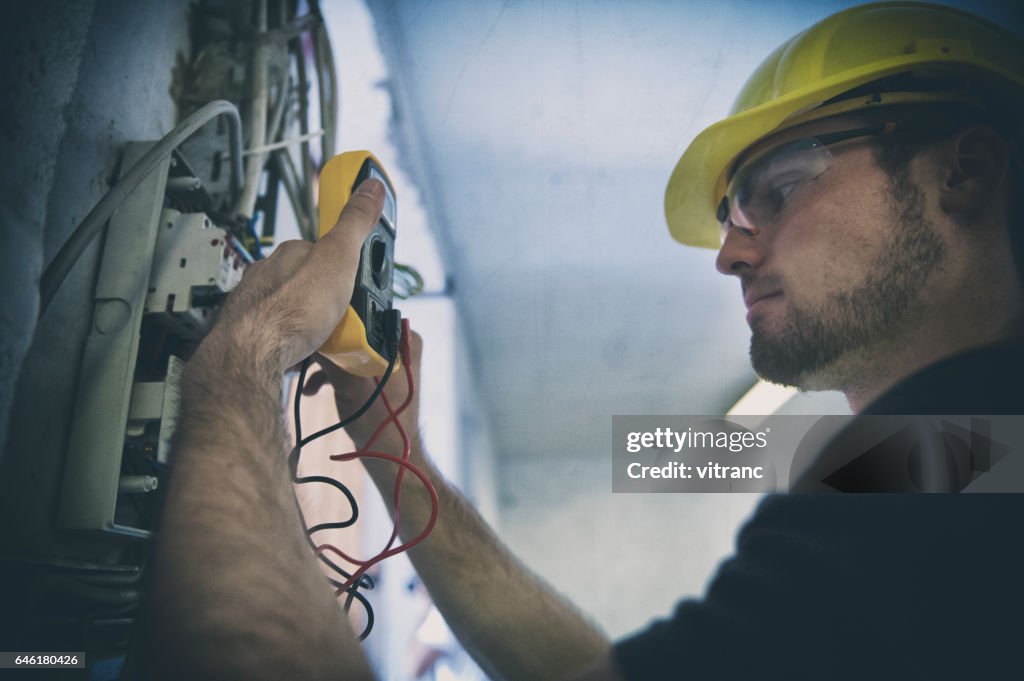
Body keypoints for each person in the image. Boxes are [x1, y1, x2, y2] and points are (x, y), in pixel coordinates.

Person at [148, 2, 1024, 680]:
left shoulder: (938, 493)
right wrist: (394, 450)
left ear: (965, 171)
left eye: (779, 190)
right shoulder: (957, 457)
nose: (728, 253)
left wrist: (248, 350)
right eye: (730, 216)